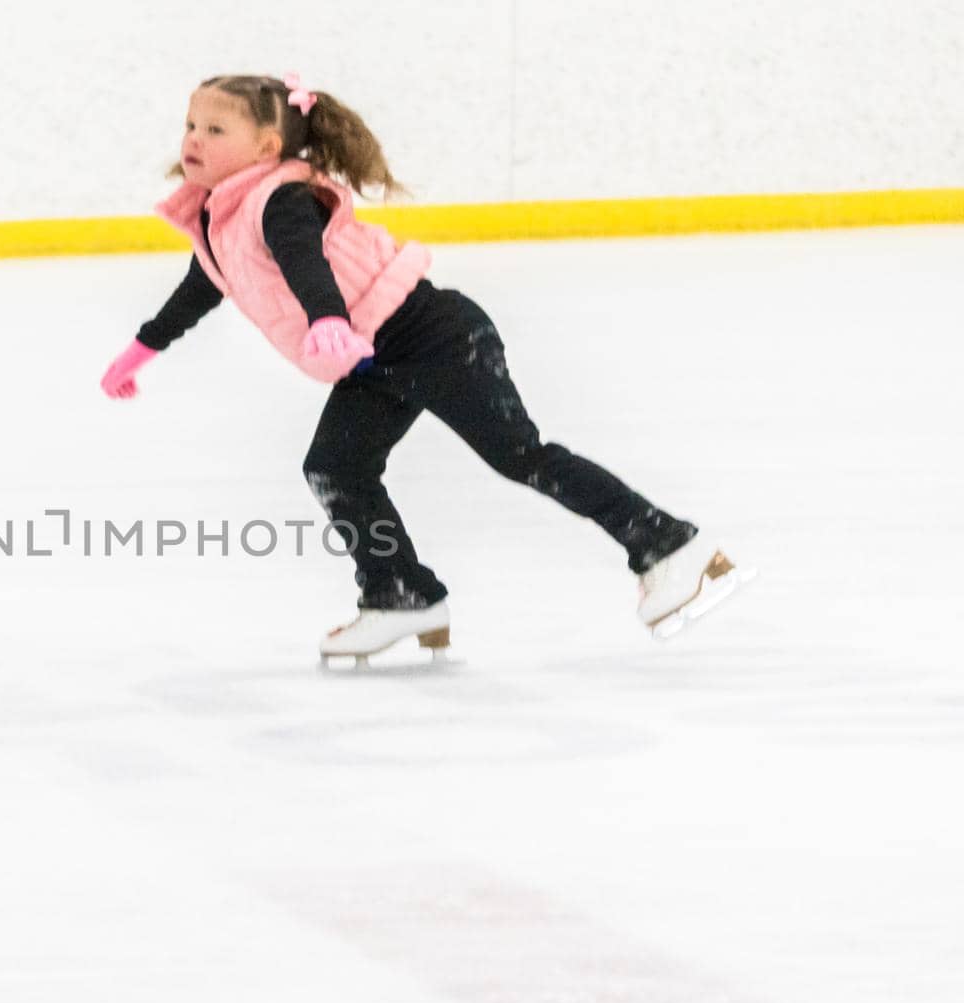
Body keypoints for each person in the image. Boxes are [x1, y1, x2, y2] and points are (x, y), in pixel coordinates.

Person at [100, 72, 748, 660]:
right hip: (370, 360)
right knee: (336, 467)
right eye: (191, 125)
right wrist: (141, 350)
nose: (194, 139)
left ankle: (671, 546)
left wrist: (326, 319)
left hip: (433, 336)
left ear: (268, 147)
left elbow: (305, 262)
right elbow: (205, 284)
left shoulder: (280, 199)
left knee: (521, 456)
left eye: (216, 129)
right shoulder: (222, 212)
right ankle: (400, 593)